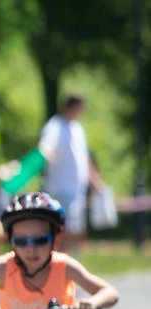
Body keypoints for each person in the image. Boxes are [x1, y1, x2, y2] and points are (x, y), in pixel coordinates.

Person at [39, 94, 105, 254]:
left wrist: (94, 179)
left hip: (76, 188)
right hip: (59, 187)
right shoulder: (54, 126)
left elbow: (84, 157)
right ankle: (56, 258)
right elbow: (45, 147)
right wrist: (46, 155)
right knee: (60, 226)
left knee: (72, 227)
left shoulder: (77, 128)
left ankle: (63, 259)